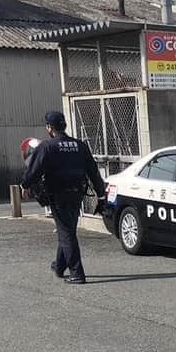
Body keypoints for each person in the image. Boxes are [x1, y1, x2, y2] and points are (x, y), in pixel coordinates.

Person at [21, 110, 107, 284]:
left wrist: (25, 185)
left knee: (66, 232)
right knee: (67, 230)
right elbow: (93, 172)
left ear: (49, 127)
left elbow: (33, 171)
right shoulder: (80, 146)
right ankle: (60, 266)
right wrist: (101, 194)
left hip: (58, 195)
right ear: (64, 125)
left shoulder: (48, 147)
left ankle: (77, 273)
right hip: (77, 194)